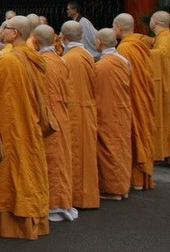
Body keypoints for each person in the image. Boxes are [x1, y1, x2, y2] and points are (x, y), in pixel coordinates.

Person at [0, 15, 49, 239]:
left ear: (15, 33)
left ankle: (16, 226)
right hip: (30, 123)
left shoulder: (8, 61)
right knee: (31, 169)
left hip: (13, 126)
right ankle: (37, 221)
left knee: (15, 172)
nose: (2, 30)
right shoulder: (34, 57)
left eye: (6, 27)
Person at [34, 24, 76, 222]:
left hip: (49, 118)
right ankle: (60, 201)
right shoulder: (61, 60)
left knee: (52, 159)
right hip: (62, 115)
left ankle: (55, 204)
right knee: (60, 159)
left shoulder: (41, 63)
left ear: (35, 41)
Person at [112, 13, 155, 190]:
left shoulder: (124, 49)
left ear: (118, 27)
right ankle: (142, 179)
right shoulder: (141, 45)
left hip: (132, 97)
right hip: (143, 96)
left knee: (134, 136)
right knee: (143, 133)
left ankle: (136, 179)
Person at [60, 20, 99, 210]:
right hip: (88, 110)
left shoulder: (68, 59)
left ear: (62, 37)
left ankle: (79, 197)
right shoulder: (87, 55)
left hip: (74, 112)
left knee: (76, 156)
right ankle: (88, 194)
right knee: (87, 154)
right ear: (82, 36)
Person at [95, 28, 132, 200]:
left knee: (109, 148)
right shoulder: (124, 61)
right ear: (115, 43)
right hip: (123, 109)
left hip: (107, 111)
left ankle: (113, 190)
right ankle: (123, 185)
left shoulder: (101, 66)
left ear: (99, 42)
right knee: (122, 147)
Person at [150, 11, 170, 162]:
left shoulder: (165, 39)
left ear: (155, 22)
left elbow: (162, 53)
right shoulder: (162, 37)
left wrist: (140, 53)